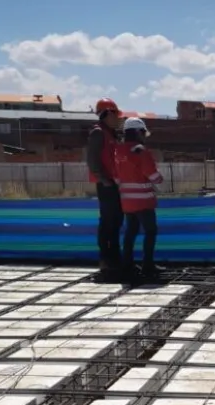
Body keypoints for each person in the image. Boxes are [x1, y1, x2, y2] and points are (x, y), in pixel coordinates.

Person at [115, 117, 164, 282]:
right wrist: (159, 178)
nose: (144, 136)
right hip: (143, 201)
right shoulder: (140, 150)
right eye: (143, 133)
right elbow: (153, 176)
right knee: (150, 231)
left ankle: (127, 264)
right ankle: (147, 265)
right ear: (137, 132)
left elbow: (117, 176)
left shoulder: (119, 151)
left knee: (131, 232)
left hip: (127, 202)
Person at [86, 98, 124, 282]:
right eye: (115, 114)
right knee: (108, 223)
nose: (118, 118)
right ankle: (107, 261)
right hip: (106, 185)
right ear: (107, 113)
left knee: (116, 221)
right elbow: (93, 161)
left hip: (114, 184)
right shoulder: (98, 133)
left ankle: (115, 260)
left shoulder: (111, 134)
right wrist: (104, 180)